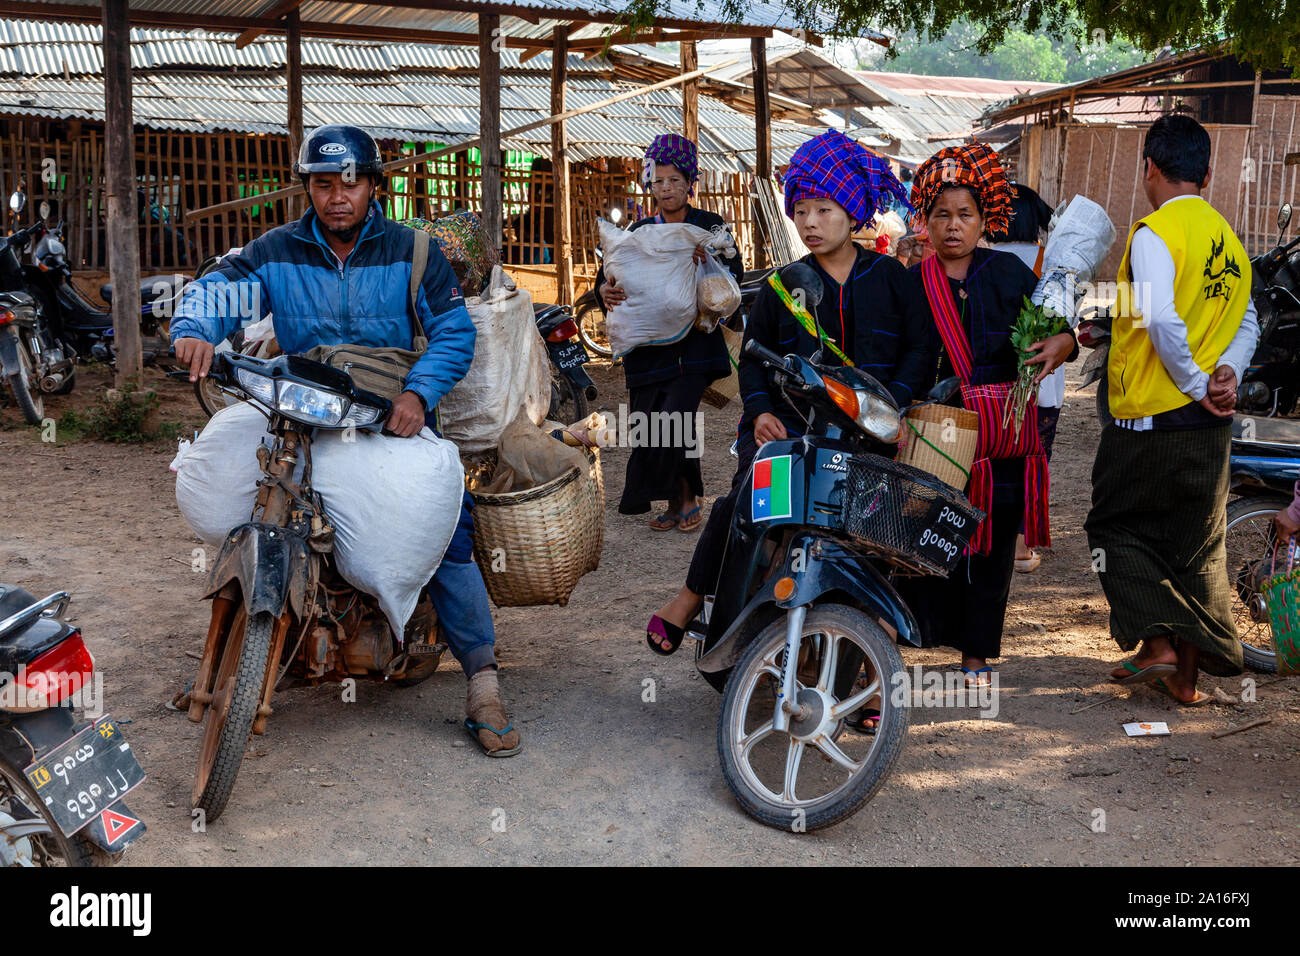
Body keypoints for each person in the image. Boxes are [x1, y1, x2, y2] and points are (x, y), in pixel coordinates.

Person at [169, 124, 522, 756]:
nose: (337, 197)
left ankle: (483, 682)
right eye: (323, 184)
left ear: (373, 187)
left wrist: (419, 395)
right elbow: (221, 288)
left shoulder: (415, 253)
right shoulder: (275, 251)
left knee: (447, 527)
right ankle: (235, 649)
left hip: (390, 414)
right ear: (308, 188)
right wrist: (195, 327)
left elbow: (452, 334)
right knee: (250, 492)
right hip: (304, 411)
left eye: (350, 184)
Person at [647, 129, 934, 674]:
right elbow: (753, 359)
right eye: (800, 209)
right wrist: (760, 413)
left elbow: (921, 350)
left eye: (824, 208)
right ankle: (689, 599)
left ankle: (868, 668)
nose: (809, 221)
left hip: (873, 440)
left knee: (879, 534)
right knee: (739, 506)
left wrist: (888, 405)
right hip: (794, 436)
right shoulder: (782, 286)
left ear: (853, 213)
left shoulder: (894, 280)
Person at [1085, 114, 1259, 704]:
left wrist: (1191, 383)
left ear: (1150, 169)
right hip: (1210, 427)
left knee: (1113, 529)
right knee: (1194, 546)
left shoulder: (1155, 233)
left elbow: (1159, 316)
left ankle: (1155, 644)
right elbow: (1248, 320)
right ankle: (1185, 681)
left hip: (1152, 420)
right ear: (1207, 174)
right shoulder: (1230, 243)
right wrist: (1227, 374)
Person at [900, 142, 1077, 687]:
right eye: (941, 216)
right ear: (925, 221)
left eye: (965, 215)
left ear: (986, 219)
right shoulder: (907, 284)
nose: (953, 227)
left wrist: (1064, 344)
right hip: (935, 436)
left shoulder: (1009, 276)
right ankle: (909, 638)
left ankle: (976, 655)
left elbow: (1057, 327)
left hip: (1000, 442)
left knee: (995, 546)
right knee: (925, 535)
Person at [594, 134, 743, 531]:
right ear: (650, 186)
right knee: (650, 424)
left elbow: (733, 276)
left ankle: (688, 497)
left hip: (694, 347)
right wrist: (602, 291)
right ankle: (679, 498)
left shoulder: (708, 226)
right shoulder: (640, 230)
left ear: (690, 182)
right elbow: (608, 273)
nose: (666, 189)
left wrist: (709, 259)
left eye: (675, 180)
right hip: (647, 351)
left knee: (674, 416)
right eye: (658, 181)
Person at [986, 182, 1057, 573]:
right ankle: (1019, 547)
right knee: (1033, 460)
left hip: (992, 383)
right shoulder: (1049, 261)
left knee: (993, 460)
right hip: (1042, 384)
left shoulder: (981, 257)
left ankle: (984, 535)